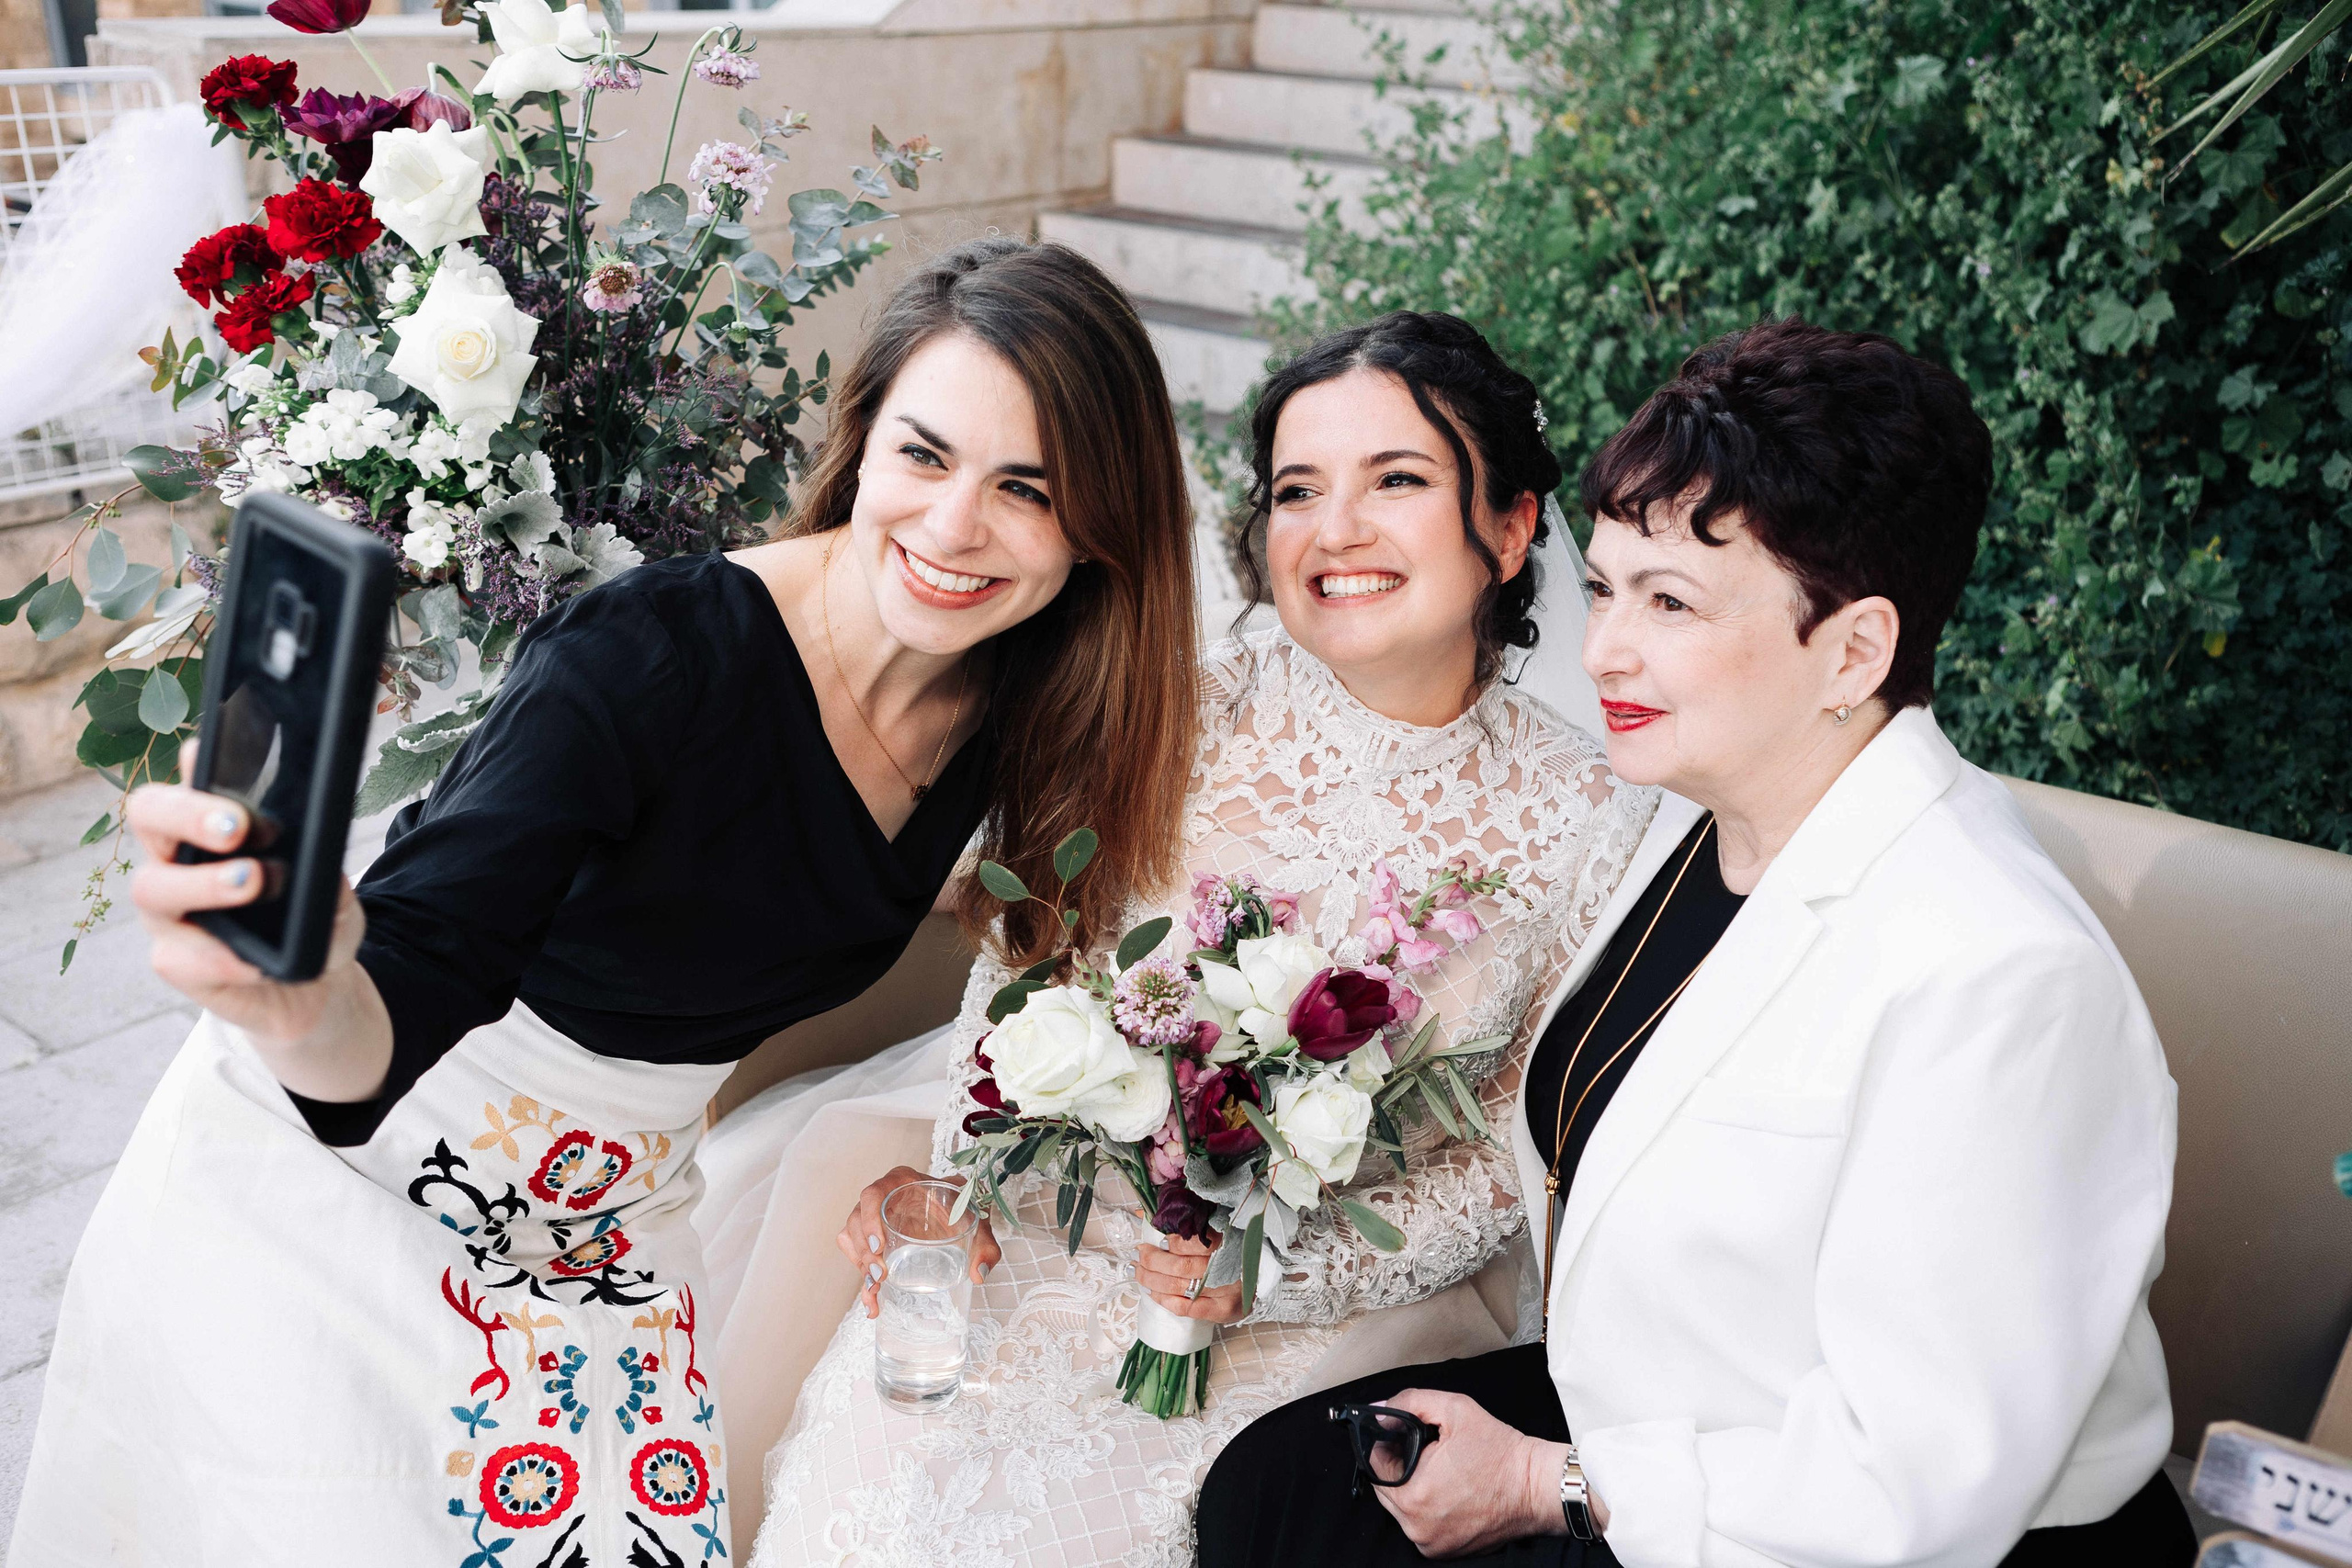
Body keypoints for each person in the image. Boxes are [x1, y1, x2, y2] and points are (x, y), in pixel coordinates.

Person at [8, 237, 1203, 1566]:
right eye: (924, 456)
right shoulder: (648, 657)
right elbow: (395, 1001)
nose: (954, 526)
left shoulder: (1018, 708)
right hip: (345, 1186)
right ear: (862, 446)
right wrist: (295, 990)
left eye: (1025, 489)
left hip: (610, 1233)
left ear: (1100, 528)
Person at [1195, 319, 2197, 1568]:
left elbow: (1913, 1485)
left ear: (1855, 650)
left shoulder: (2002, 976)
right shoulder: (1692, 816)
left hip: (1861, 1528)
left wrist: (1547, 1479)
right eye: (1607, 588)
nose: (1603, 647)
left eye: (1670, 603)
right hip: (1657, 1410)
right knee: (1267, 1493)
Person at [689, 310, 1658, 1563]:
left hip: (1339, 1300)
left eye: (1397, 482)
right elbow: (1029, 964)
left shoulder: (1594, 821)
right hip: (1051, 1223)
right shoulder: (1177, 711)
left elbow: (1516, 1162)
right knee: (883, 1489)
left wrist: (1270, 1276)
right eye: (1298, 490)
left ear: (1513, 527)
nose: (1336, 531)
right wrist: (964, 1170)